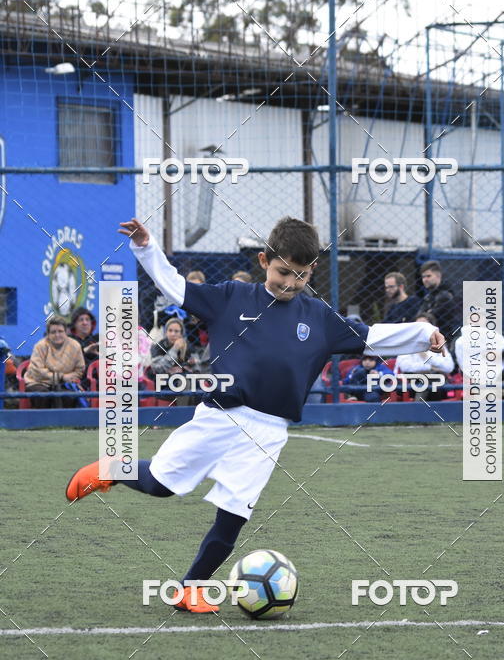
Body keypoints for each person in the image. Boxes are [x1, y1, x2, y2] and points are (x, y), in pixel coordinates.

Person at [66, 216, 445, 614]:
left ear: (313, 270)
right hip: (219, 417)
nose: (290, 283)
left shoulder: (318, 317)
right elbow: (176, 287)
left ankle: (191, 588)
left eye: (301, 275)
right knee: (162, 485)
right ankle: (112, 469)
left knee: (233, 516)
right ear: (264, 261)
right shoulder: (231, 297)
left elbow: (372, 336)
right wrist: (146, 248)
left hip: (269, 433)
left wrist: (424, 334)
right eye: (283, 272)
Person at [24, 316, 85, 408]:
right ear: (48, 334)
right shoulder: (40, 346)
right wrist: (62, 377)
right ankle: (42, 418)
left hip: (64, 384)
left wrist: (71, 377)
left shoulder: (75, 346)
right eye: (53, 332)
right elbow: (37, 371)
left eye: (60, 331)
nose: (57, 335)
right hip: (38, 382)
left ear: (66, 332)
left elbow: (80, 369)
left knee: (67, 396)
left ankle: (65, 418)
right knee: (42, 395)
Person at [393, 312, 455, 401]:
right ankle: (425, 406)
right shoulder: (407, 343)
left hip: (436, 380)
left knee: (435, 381)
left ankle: (420, 405)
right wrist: (430, 367)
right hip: (412, 381)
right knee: (429, 381)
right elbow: (405, 367)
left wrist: (426, 357)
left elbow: (449, 367)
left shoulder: (439, 343)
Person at [417, 261, 459, 342]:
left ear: (438, 276)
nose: (425, 280)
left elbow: (429, 317)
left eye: (428, 276)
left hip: (445, 339)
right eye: (423, 277)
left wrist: (427, 314)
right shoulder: (429, 296)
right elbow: (420, 316)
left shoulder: (445, 295)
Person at [69, 307, 99, 386]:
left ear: (92, 323)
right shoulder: (68, 340)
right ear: (74, 324)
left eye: (87, 320)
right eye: (81, 320)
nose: (85, 323)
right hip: (78, 378)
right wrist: (85, 351)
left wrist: (99, 355)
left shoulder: (98, 339)